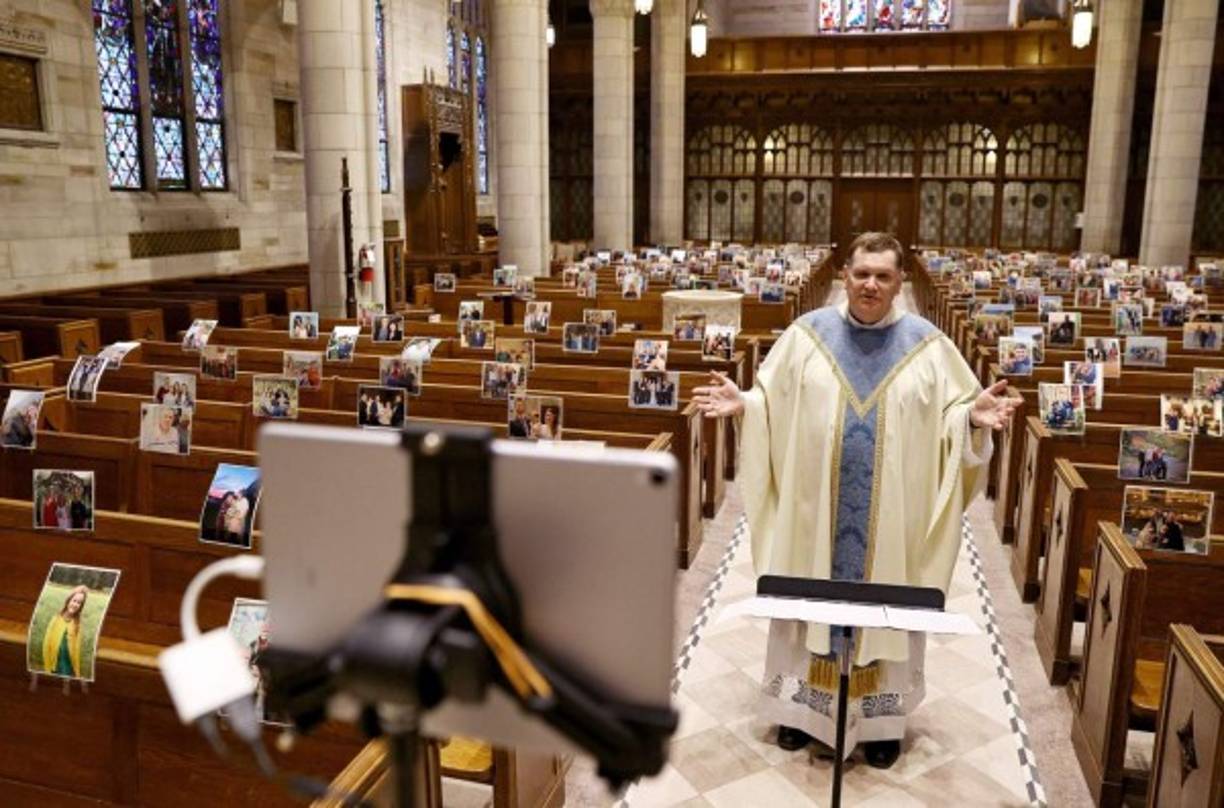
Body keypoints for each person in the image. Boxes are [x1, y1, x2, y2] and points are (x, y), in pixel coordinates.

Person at [693, 232, 1015, 769]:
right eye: (862, 273)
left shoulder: (930, 346)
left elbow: (954, 411)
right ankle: (800, 714)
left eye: (883, 276)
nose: (870, 285)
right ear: (844, 274)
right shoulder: (805, 336)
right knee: (805, 604)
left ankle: (881, 724)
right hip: (811, 514)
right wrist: (745, 403)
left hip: (892, 522)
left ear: (899, 283)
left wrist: (969, 420)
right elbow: (773, 399)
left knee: (885, 613)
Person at [40, 584, 89, 678]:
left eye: (79, 603)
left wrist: (77, 672)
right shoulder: (55, 619)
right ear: (68, 600)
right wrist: (47, 668)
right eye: (74, 600)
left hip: (68, 667)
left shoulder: (77, 624)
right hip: (55, 665)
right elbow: (46, 644)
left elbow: (77, 650)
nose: (75, 604)